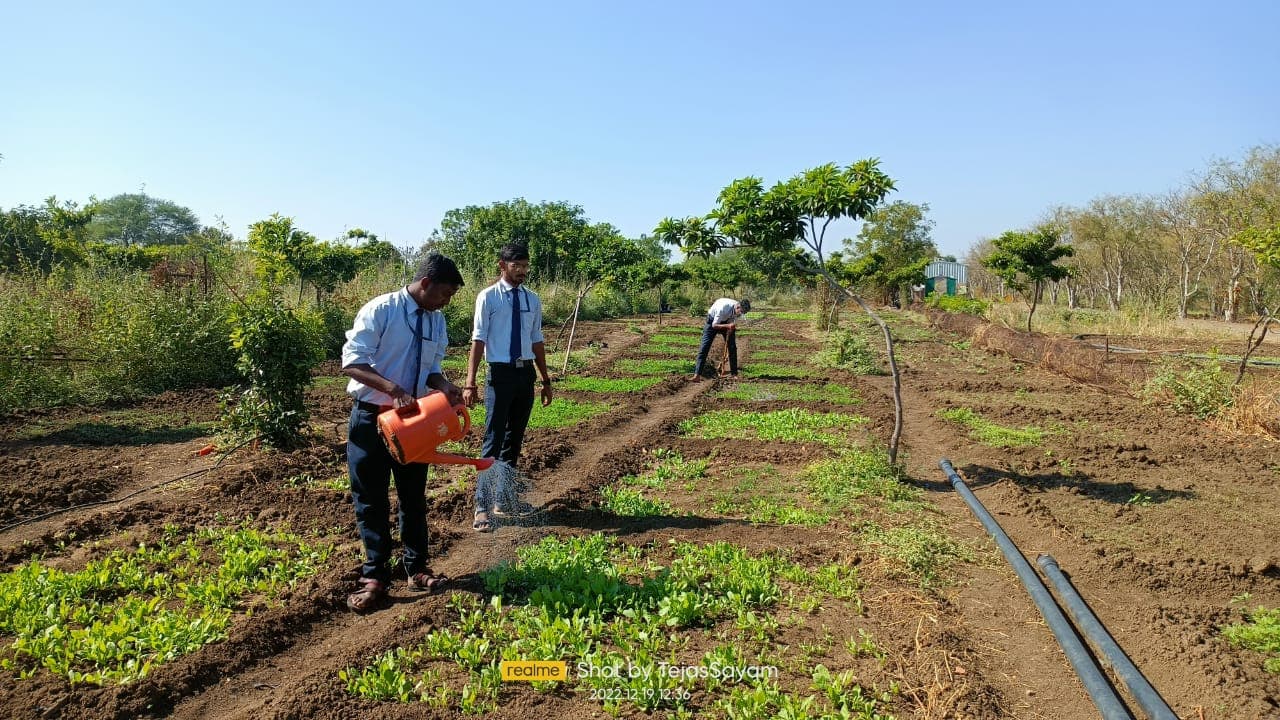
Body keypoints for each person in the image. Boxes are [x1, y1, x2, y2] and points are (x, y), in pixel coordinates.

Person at [340, 253, 466, 612]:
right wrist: (392, 389)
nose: (446, 302)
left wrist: (444, 385)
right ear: (425, 284)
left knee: (413, 496)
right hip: (372, 419)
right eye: (445, 293)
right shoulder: (381, 310)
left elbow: (431, 369)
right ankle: (375, 577)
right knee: (371, 499)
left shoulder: (436, 321)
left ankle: (417, 568)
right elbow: (352, 362)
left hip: (413, 422)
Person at [463, 243, 553, 532]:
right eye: (517, 266)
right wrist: (470, 382)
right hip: (499, 374)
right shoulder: (488, 297)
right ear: (502, 265)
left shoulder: (532, 299)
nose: (522, 271)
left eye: (525, 266)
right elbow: (478, 340)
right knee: (493, 438)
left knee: (514, 439)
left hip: (524, 374)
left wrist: (545, 380)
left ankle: (503, 500)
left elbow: (536, 340)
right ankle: (482, 506)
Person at [691, 297, 750, 381]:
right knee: (704, 347)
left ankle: (734, 374)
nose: (741, 314)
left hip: (726, 321)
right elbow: (714, 325)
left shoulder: (737, 309)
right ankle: (697, 375)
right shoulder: (723, 308)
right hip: (712, 321)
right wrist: (728, 326)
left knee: (732, 347)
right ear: (738, 307)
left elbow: (732, 319)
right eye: (741, 312)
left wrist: (730, 328)